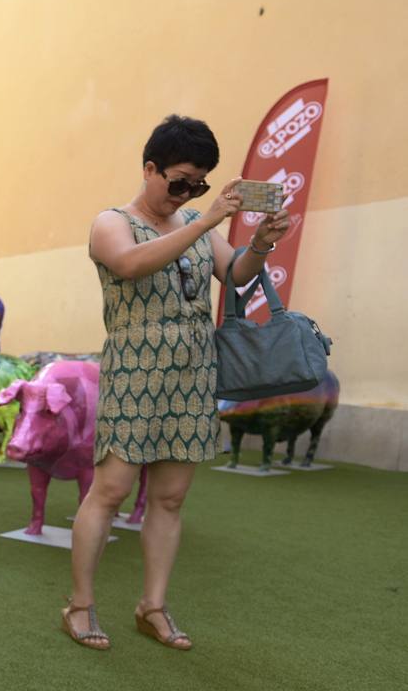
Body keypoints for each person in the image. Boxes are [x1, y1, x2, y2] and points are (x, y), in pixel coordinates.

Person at [65, 114, 292, 652]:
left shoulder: (195, 223)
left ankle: (153, 606)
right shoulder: (112, 222)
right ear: (150, 168)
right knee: (111, 492)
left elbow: (235, 275)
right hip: (135, 369)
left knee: (169, 499)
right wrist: (206, 218)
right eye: (180, 181)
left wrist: (259, 243)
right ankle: (79, 604)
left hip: (193, 374)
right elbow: (128, 263)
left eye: (200, 184)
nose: (188, 193)